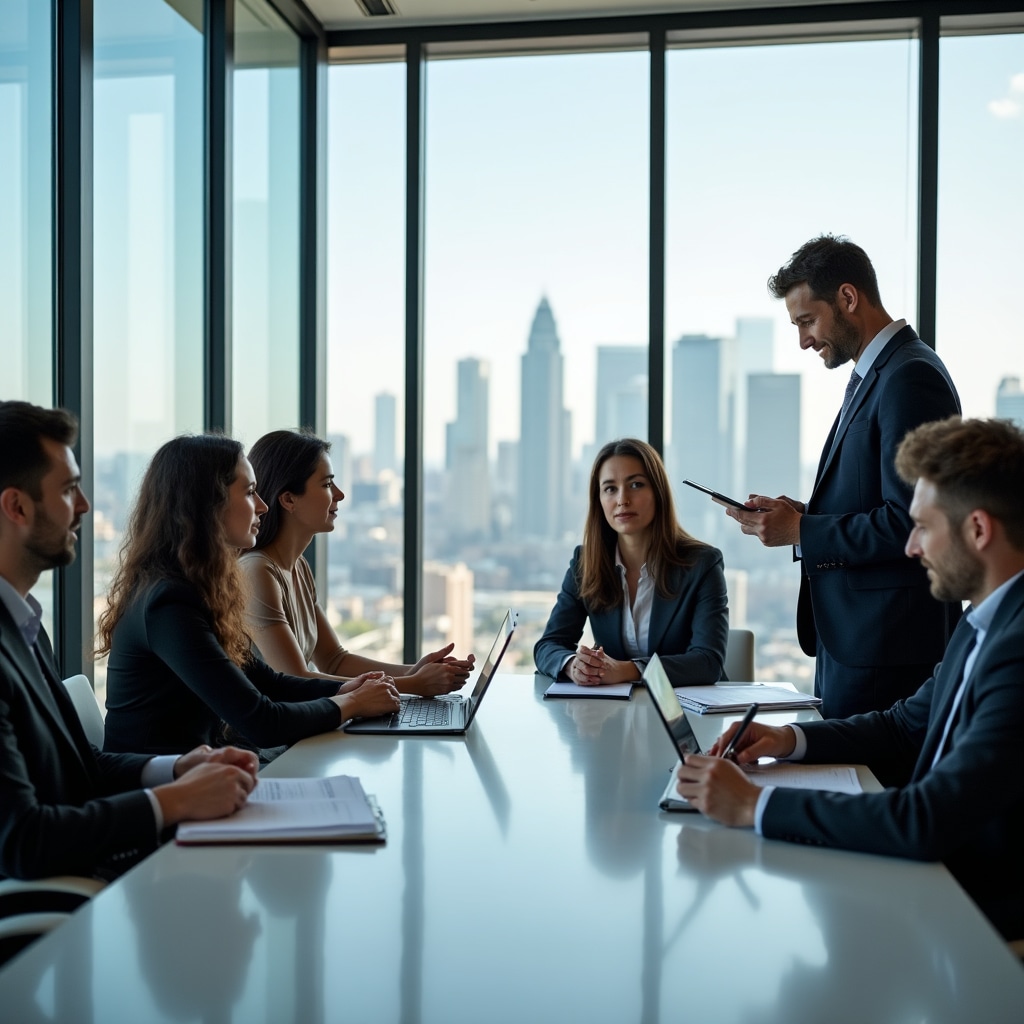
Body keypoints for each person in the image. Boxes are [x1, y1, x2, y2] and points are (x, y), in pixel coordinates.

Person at [676, 416, 1024, 940]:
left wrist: (754, 804)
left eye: (924, 527)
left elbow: (927, 820)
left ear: (977, 530)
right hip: (939, 886)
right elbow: (902, 725)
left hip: (978, 924)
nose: (910, 548)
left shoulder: (1017, 647)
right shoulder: (985, 621)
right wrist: (786, 739)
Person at [0, 401, 258, 880]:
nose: (84, 506)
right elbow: (21, 840)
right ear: (17, 506)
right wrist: (174, 800)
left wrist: (179, 768)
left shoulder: (24, 626)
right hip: (65, 909)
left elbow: (81, 766)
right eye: (69, 489)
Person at [726, 234, 961, 718]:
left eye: (807, 321)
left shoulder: (909, 378)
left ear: (848, 298)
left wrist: (802, 531)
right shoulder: (879, 374)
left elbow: (913, 523)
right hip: (857, 645)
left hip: (885, 655)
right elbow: (874, 500)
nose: (803, 340)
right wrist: (804, 516)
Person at [100, 435, 401, 756]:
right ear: (208, 504)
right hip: (163, 789)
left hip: (206, 775)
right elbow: (261, 721)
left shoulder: (200, 588)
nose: (263, 505)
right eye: (249, 492)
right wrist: (352, 703)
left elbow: (268, 681)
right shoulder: (168, 602)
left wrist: (344, 688)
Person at [242, 429, 474, 695]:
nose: (339, 495)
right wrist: (413, 684)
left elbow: (334, 660)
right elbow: (295, 679)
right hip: (270, 736)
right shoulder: (257, 571)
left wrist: (414, 671)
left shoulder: (298, 568)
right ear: (289, 499)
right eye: (327, 484)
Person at [534, 438, 728, 687]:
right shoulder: (585, 562)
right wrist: (574, 665)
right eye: (610, 489)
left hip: (689, 713)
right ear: (600, 500)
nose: (622, 499)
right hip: (613, 713)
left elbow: (707, 662)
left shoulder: (702, 564)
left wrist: (628, 670)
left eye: (636, 485)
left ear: (658, 492)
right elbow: (548, 646)